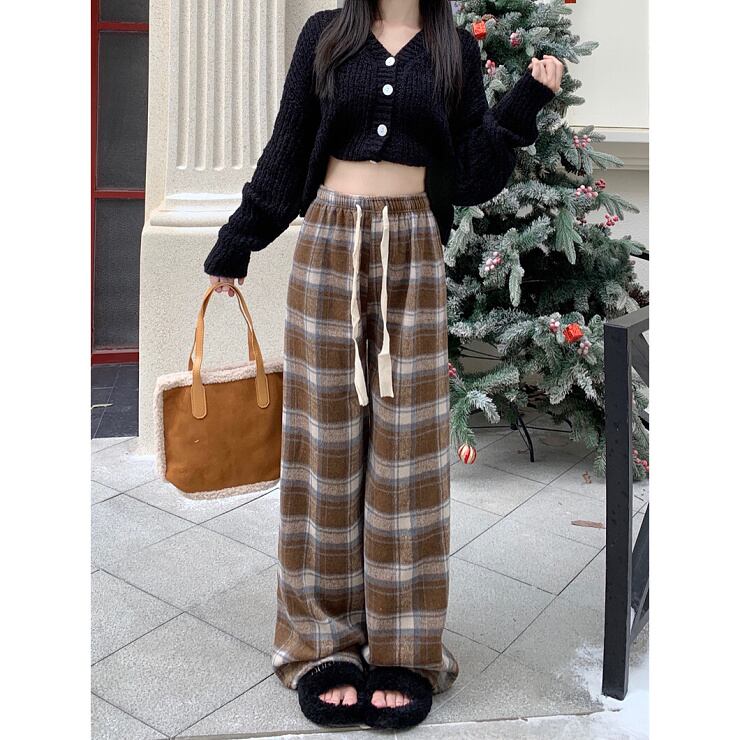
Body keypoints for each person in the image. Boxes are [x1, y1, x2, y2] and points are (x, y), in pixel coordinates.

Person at [203, 0, 563, 730]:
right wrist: (240, 237)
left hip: (414, 252)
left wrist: (526, 101)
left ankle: (405, 648)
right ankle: (322, 644)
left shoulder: (453, 48)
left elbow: (471, 174)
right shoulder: (326, 35)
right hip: (329, 242)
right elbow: (287, 148)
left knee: (410, 454)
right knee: (323, 446)